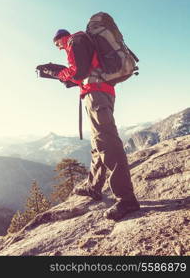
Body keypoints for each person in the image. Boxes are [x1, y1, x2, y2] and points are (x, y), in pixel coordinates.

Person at [51, 29, 140, 221]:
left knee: (107, 143)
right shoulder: (85, 42)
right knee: (98, 142)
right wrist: (72, 80)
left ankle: (126, 198)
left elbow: (78, 71)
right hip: (102, 92)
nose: (58, 48)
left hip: (96, 95)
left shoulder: (74, 41)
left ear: (60, 38)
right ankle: (94, 186)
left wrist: (61, 75)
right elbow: (85, 71)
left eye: (56, 44)